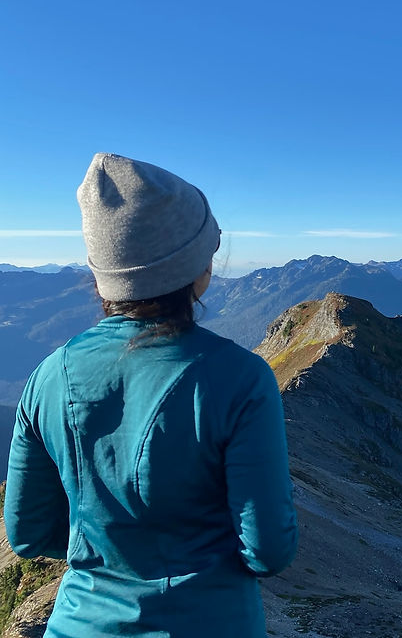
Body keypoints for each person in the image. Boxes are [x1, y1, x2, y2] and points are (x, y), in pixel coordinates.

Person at [4, 153, 297, 637]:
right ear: (193, 271)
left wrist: (109, 547)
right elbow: (268, 550)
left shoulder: (48, 376)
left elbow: (28, 533)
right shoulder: (242, 378)